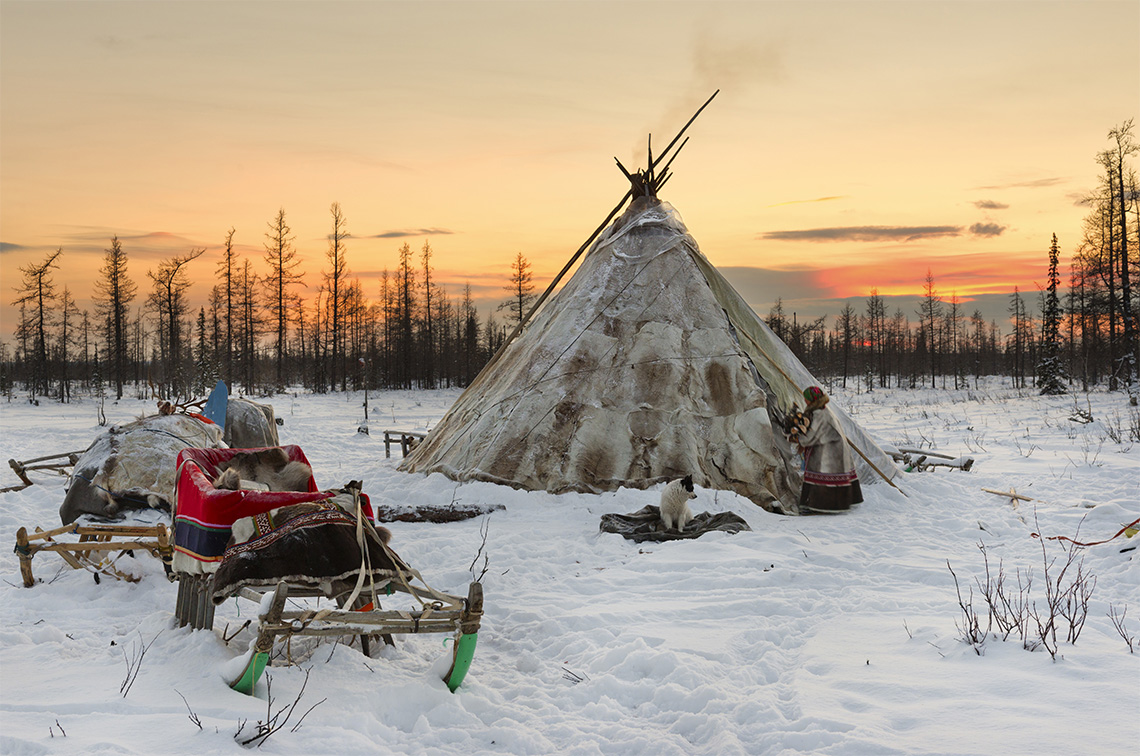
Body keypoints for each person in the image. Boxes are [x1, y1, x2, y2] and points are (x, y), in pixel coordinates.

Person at [785, 387, 863, 514]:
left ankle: (826, 506)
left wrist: (796, 437)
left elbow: (811, 436)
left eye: (806, 398)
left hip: (830, 451)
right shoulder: (822, 410)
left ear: (811, 400)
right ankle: (826, 504)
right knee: (824, 475)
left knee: (825, 476)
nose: (804, 400)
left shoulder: (819, 414)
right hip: (832, 448)